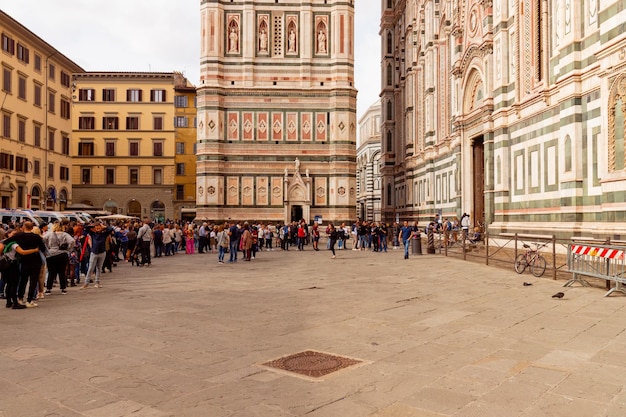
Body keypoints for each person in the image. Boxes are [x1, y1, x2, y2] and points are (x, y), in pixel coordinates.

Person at [2, 226, 41, 309]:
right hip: (12, 264)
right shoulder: (14, 244)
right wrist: (34, 250)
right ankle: (15, 303)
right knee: (14, 284)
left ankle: (9, 302)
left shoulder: (5, 243)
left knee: (8, 283)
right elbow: (22, 252)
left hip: (5, 264)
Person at [13, 221, 47, 307]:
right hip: (35, 261)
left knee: (23, 281)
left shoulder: (19, 236)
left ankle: (20, 299)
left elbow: (7, 242)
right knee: (33, 281)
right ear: (32, 228)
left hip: (24, 260)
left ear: (23, 227)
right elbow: (43, 248)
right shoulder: (37, 237)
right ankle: (30, 300)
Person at [43, 222, 75, 295]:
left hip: (51, 254)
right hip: (62, 254)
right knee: (62, 272)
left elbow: (43, 240)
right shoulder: (65, 234)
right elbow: (72, 241)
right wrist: (68, 249)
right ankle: (63, 288)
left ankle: (48, 288)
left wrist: (47, 248)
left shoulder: (49, 234)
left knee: (51, 272)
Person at [81, 221, 110, 289]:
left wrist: (104, 227)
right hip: (94, 252)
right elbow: (85, 228)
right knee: (91, 268)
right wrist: (92, 225)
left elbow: (110, 229)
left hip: (102, 252)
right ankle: (86, 283)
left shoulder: (104, 234)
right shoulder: (92, 234)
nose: (98, 228)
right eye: (96, 227)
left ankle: (97, 282)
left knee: (99, 268)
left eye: (99, 227)